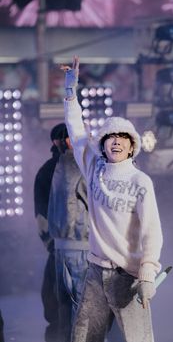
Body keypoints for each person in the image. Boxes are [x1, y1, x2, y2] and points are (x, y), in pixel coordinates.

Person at [62, 56, 163, 342]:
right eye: (111, 137)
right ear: (103, 144)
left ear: (132, 147)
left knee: (137, 339)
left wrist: (146, 273)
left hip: (127, 277)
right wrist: (71, 90)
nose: (116, 141)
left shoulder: (140, 182)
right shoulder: (94, 168)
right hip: (95, 272)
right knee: (83, 338)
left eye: (123, 137)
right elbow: (76, 130)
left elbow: (152, 232)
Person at [48, 130, 90, 342]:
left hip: (61, 245)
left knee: (65, 306)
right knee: (81, 308)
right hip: (79, 243)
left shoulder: (60, 163)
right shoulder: (79, 164)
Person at [34, 123, 69, 342]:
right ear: (56, 142)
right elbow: (41, 214)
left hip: (86, 248)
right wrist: (51, 244)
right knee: (55, 305)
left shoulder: (87, 166)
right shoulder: (48, 172)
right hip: (60, 247)